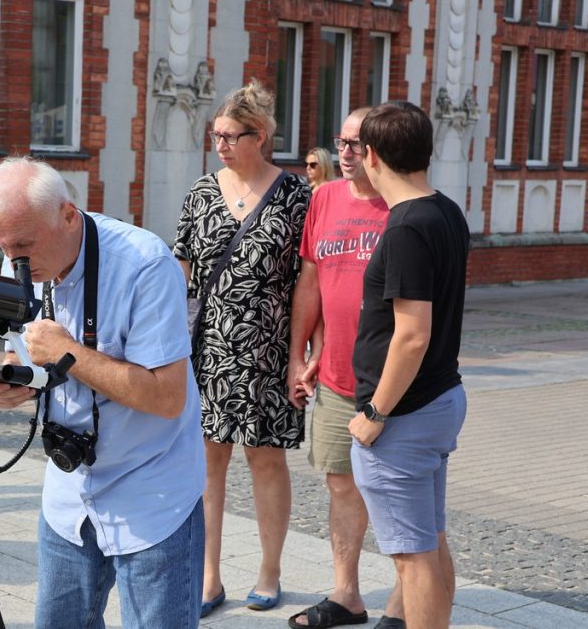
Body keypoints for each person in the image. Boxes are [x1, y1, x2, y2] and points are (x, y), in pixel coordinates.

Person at [0, 157, 206, 628]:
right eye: (3, 246)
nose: (15, 260)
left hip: (151, 493)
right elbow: (24, 353)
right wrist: (13, 378)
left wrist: (68, 351)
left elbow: (167, 397)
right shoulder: (21, 252)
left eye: (23, 245)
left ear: (67, 214)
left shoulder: (144, 264)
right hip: (69, 494)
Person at [174, 78, 310, 617]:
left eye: (231, 135)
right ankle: (208, 577)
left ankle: (269, 571)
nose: (222, 145)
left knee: (266, 459)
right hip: (206, 348)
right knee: (207, 462)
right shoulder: (201, 193)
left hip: (268, 350)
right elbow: (178, 272)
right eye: (216, 135)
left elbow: (309, 281)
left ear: (260, 137)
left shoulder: (297, 196)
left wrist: (304, 352)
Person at [348, 101, 469, 629]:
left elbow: (412, 336)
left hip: (404, 414)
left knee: (412, 559)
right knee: (431, 543)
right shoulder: (445, 209)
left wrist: (374, 413)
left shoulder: (407, 227)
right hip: (437, 400)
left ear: (372, 155)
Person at [287, 108, 405, 629]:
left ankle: (403, 606)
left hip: (394, 380)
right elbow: (311, 281)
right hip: (335, 375)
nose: (349, 152)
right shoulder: (324, 198)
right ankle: (347, 595)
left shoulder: (405, 207)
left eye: (359, 142)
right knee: (340, 484)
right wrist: (301, 354)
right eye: (342, 141)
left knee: (400, 492)